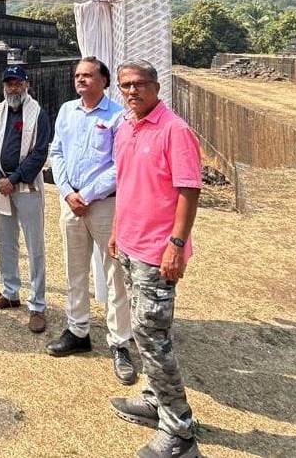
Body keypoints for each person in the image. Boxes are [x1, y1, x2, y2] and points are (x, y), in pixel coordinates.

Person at [107, 60, 203, 458]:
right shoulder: (127, 126)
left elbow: (189, 190)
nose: (132, 91)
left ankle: (179, 430)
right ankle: (153, 397)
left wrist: (176, 245)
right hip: (130, 244)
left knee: (153, 335)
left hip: (158, 251)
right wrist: (116, 230)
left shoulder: (174, 130)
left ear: (156, 86)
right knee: (143, 329)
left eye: (139, 84)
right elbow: (127, 184)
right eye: (125, 85)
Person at [45, 57, 137, 385]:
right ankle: (78, 329)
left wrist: (89, 193)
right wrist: (68, 192)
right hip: (71, 203)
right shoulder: (67, 111)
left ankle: (119, 341)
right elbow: (56, 153)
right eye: (77, 76)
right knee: (75, 269)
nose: (81, 80)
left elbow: (120, 165)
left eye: (88, 75)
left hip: (104, 206)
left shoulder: (118, 117)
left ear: (104, 81)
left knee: (115, 274)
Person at [0, 64, 52, 334]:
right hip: (2, 185)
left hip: (26, 186)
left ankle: (38, 303)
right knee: (6, 242)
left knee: (35, 246)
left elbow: (39, 152)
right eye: (9, 83)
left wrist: (15, 179)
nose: (13, 87)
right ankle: (10, 292)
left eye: (17, 83)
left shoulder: (38, 115)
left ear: (27, 85)